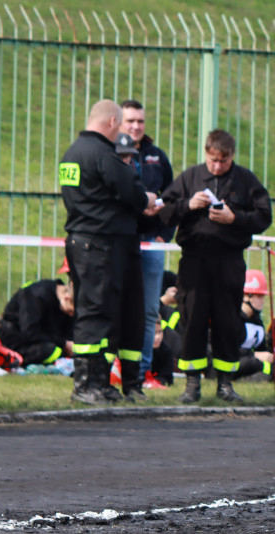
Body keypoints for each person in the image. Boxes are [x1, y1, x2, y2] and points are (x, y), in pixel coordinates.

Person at [159, 129, 272, 403]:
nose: (217, 166)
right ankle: (192, 384)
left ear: (231, 156)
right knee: (192, 319)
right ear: (206, 153)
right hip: (194, 261)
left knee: (227, 322)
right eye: (212, 160)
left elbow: (263, 215)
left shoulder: (245, 180)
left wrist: (235, 218)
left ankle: (225, 384)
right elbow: (164, 210)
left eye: (223, 161)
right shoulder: (190, 177)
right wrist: (188, 204)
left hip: (229, 261)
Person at [59, 99, 158, 404]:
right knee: (96, 314)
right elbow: (129, 191)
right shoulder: (103, 154)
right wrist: (147, 199)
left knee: (92, 311)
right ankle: (88, 384)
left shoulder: (72, 153)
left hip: (80, 240)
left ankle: (96, 382)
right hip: (100, 245)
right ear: (113, 122)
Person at [119, 99, 174, 382]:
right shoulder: (112, 153)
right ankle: (113, 371)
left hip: (152, 241)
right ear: (119, 122)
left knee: (150, 309)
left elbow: (173, 195)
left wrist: (165, 235)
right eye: (130, 121)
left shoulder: (156, 156)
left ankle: (143, 373)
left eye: (140, 121)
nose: (136, 126)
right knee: (116, 306)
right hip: (120, 241)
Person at [0, 278, 75, 366]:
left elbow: (66, 332)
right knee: (52, 351)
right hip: (16, 340)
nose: (71, 315)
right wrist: (63, 344)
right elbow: (30, 331)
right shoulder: (36, 294)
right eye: (71, 311)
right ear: (67, 298)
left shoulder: (63, 303)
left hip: (39, 339)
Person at [235, 269, 275, 380]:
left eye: (263, 296)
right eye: (259, 296)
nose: (262, 301)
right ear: (245, 296)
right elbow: (228, 349)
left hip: (251, 362)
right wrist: (254, 356)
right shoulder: (233, 319)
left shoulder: (257, 320)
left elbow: (261, 348)